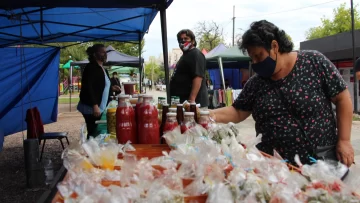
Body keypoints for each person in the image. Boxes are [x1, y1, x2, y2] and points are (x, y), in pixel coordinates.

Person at [210, 20, 354, 167]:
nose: (255, 62)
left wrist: (344, 140)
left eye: (258, 56)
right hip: (274, 170)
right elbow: (238, 111)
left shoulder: (313, 62)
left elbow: (342, 98)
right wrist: (207, 116)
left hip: (320, 163)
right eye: (252, 58)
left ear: (274, 46)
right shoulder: (256, 83)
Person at [77, 44, 111, 138]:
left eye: (105, 52)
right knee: (93, 131)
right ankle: (90, 150)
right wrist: (95, 105)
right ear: (95, 54)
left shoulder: (102, 68)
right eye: (102, 52)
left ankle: (92, 148)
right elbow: (89, 87)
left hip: (99, 106)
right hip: (91, 107)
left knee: (95, 130)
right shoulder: (91, 67)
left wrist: (112, 88)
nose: (105, 54)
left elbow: (101, 85)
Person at [170, 29, 208, 108]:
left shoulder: (195, 54)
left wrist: (191, 100)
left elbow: (198, 77)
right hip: (183, 104)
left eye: (186, 39)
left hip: (192, 106)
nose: (183, 41)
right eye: (180, 40)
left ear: (193, 41)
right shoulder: (185, 56)